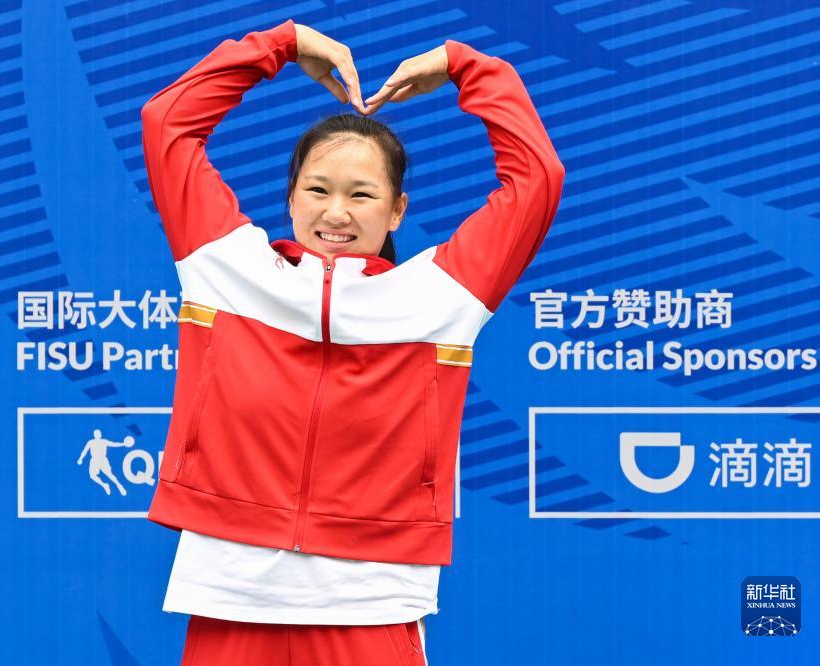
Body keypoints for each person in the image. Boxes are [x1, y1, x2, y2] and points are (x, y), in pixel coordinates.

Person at [140, 18, 564, 665]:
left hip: (372, 600)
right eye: (318, 189)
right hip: (230, 590)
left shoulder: (441, 294)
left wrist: (467, 67)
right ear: (290, 198)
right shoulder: (224, 265)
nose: (335, 212)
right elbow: (168, 122)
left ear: (397, 210)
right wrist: (280, 45)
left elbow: (537, 178)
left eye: (361, 194)